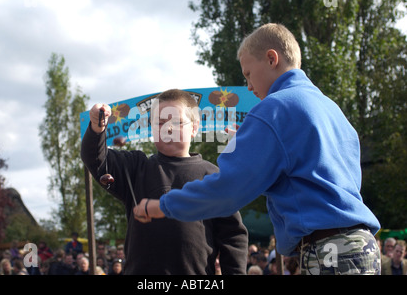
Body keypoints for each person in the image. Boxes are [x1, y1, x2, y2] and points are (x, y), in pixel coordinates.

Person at [134, 23, 381, 275]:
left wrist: (162, 206)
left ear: (272, 59)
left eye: (248, 74)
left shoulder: (273, 109)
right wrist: (258, 144)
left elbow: (228, 191)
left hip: (329, 251)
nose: (249, 86)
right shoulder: (330, 107)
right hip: (361, 247)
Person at [81, 89, 248, 274]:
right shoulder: (137, 168)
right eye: (159, 123)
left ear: (194, 128)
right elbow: (97, 160)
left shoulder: (212, 175)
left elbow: (233, 236)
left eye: (176, 122)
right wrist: (97, 128)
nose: (167, 128)